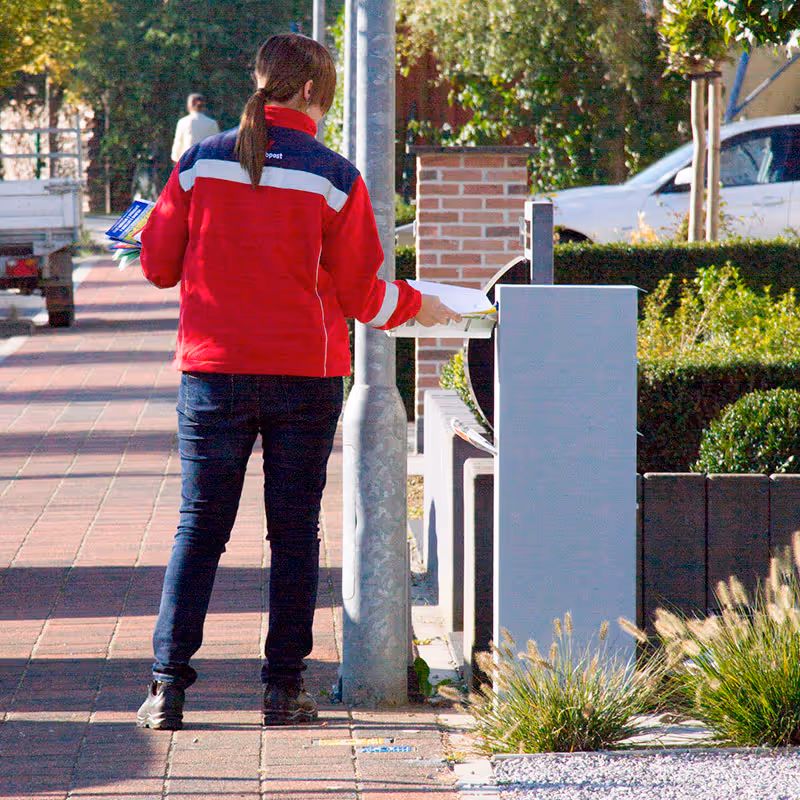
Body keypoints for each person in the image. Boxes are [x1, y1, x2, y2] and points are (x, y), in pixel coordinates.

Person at [136, 32, 460, 730]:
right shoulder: (333, 174)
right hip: (303, 377)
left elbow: (158, 267)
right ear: (314, 90)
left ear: (263, 81)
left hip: (213, 373)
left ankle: (168, 688)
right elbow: (363, 297)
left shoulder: (198, 163)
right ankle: (283, 690)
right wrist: (420, 308)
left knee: (199, 529)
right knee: (292, 533)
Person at [171, 93, 220, 162]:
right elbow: (216, 145)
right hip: (205, 161)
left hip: (187, 161)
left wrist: (176, 159)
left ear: (189, 106)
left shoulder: (183, 122)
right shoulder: (212, 123)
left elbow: (178, 144)